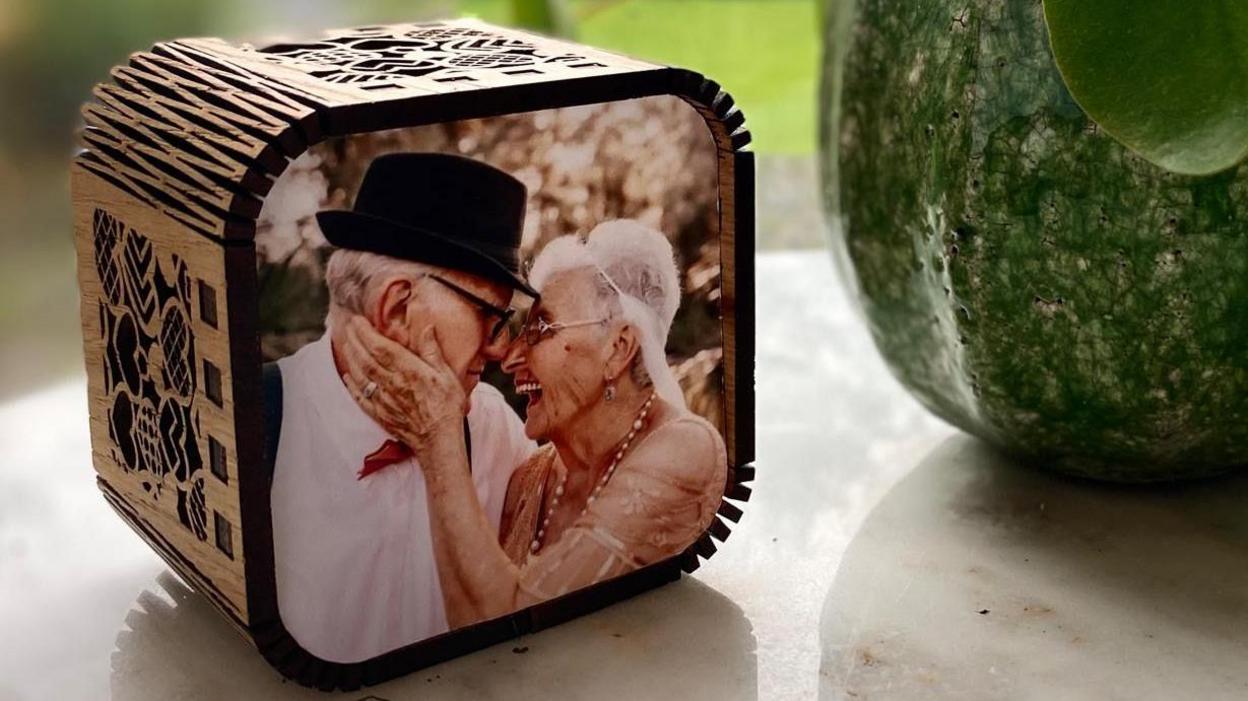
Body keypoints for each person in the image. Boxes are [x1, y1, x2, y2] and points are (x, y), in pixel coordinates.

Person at [337, 219, 728, 629]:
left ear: (618, 349)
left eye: (540, 328)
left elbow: (508, 628)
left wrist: (437, 434)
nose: (510, 357)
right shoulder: (527, 479)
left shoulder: (685, 448)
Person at [265, 153, 538, 663]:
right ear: (396, 307)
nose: (501, 348)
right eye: (488, 315)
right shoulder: (261, 424)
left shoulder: (492, 425)